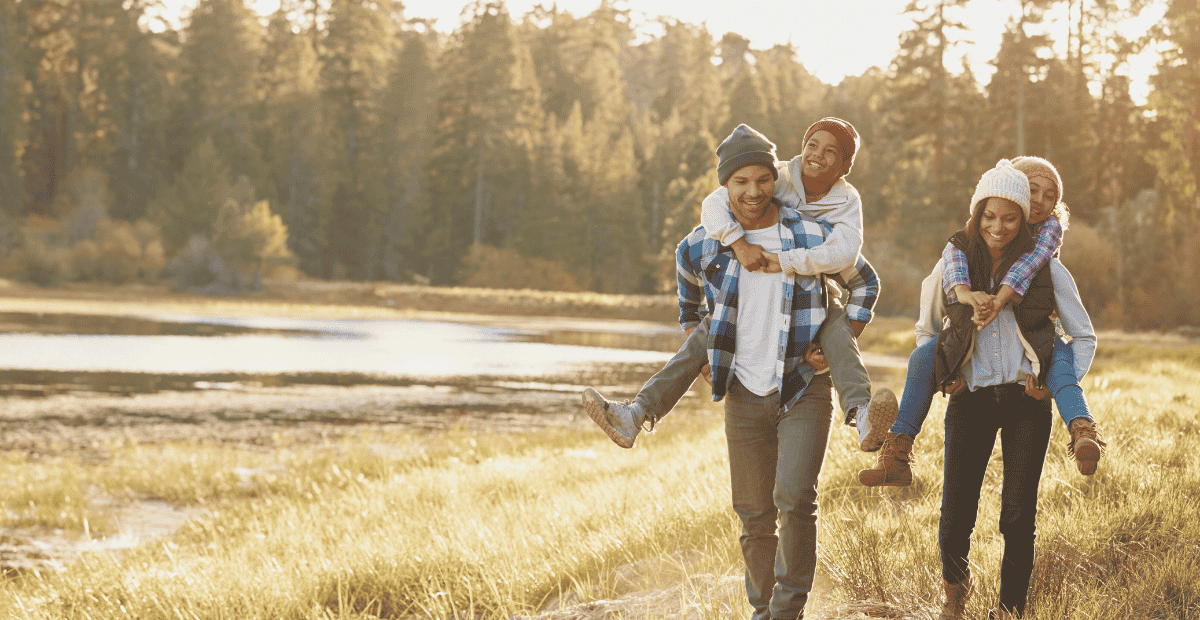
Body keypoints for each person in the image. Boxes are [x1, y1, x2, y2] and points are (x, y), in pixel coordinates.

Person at [666, 124, 880, 620]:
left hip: (802, 384)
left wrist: (840, 333)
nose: (753, 191)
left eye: (762, 179)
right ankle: (761, 610)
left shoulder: (811, 230)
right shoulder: (708, 240)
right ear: (726, 185)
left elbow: (863, 280)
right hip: (742, 388)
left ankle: (787, 611)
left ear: (774, 179)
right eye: (740, 182)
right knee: (754, 515)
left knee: (794, 498)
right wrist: (699, 343)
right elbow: (686, 283)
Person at [584, 119, 897, 454]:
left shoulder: (844, 204)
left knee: (836, 326)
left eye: (830, 151)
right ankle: (637, 414)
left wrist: (836, 339)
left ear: (845, 165)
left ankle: (862, 415)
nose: (817, 154)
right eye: (812, 144)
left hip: (816, 293)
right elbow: (714, 204)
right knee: (711, 327)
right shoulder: (774, 177)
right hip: (749, 292)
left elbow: (851, 258)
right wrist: (737, 243)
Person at [859, 156, 1104, 488]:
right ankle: (897, 450)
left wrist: (1051, 377)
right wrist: (947, 369)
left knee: (1058, 359)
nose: (1041, 202)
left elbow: (1072, 321)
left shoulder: (1045, 255)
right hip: (972, 383)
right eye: (1032, 191)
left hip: (1031, 364)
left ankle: (1082, 429)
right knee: (921, 359)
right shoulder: (960, 250)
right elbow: (929, 324)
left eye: (1050, 196)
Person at [912, 160, 1075, 619]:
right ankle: (954, 596)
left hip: (1027, 404)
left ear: (1024, 216)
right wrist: (946, 373)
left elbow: (1079, 336)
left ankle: (1010, 611)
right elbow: (926, 331)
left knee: (1019, 518)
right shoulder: (955, 263)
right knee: (955, 517)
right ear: (980, 211)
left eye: (1012, 215)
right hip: (971, 400)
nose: (999, 225)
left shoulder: (1045, 270)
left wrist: (1051, 384)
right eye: (991, 214)